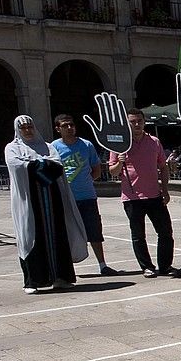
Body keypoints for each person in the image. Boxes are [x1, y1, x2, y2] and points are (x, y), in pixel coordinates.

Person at [6, 116, 88, 293]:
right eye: (24, 128)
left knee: (58, 234)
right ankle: (33, 281)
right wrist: (40, 165)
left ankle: (61, 277)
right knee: (31, 237)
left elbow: (57, 164)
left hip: (52, 199)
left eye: (29, 126)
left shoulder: (47, 146)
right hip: (30, 201)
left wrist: (37, 166)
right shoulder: (12, 148)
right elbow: (16, 166)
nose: (27, 130)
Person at [109, 107, 173, 278]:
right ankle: (147, 266)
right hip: (132, 197)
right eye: (133, 121)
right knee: (138, 235)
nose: (137, 124)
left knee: (165, 232)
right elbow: (113, 172)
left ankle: (165, 266)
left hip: (154, 195)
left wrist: (165, 189)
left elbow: (163, 167)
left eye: (139, 121)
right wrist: (119, 162)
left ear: (144, 122)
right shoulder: (119, 144)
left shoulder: (154, 142)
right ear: (127, 123)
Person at [51, 113, 117, 276]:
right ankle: (67, 268)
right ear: (58, 129)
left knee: (94, 231)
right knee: (67, 234)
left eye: (71, 125)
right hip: (66, 199)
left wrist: (85, 181)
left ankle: (103, 265)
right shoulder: (53, 147)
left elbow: (96, 169)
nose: (69, 128)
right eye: (65, 126)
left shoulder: (86, 145)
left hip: (87, 196)